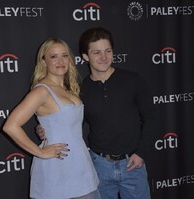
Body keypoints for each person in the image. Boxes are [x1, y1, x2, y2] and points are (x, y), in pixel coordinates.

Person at [37, 27, 156, 199]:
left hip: (133, 165)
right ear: (85, 56)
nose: (104, 57)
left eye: (108, 51)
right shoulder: (79, 91)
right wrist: (46, 128)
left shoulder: (133, 80)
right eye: (97, 53)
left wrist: (141, 153)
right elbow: (71, 121)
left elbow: (151, 117)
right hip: (99, 167)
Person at [3, 38, 100, 199]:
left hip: (81, 165)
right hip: (57, 168)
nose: (60, 61)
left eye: (64, 55)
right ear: (43, 61)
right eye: (54, 56)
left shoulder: (69, 88)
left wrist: (43, 128)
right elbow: (11, 126)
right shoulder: (42, 91)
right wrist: (40, 152)